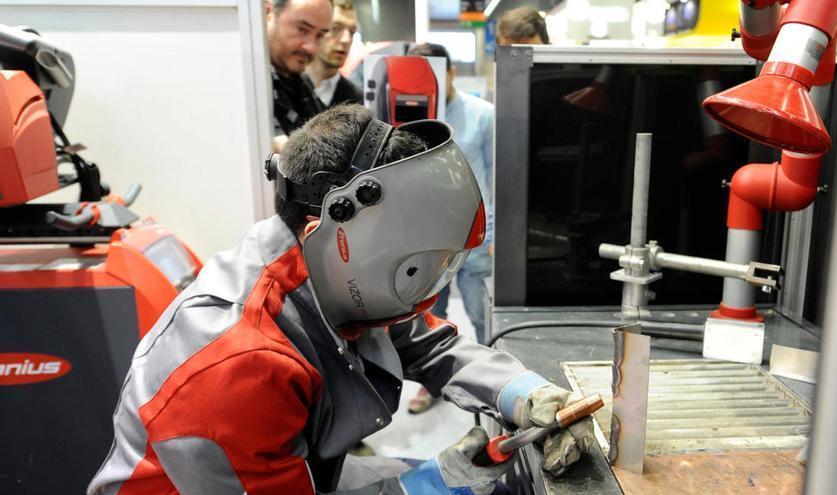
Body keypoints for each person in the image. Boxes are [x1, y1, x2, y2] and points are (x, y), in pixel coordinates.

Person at [87, 105, 595, 494]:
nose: (428, 287)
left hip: (302, 467)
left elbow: (429, 343)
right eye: (417, 266)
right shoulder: (236, 363)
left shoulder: (333, 268)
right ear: (335, 232)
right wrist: (430, 485)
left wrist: (524, 395)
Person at [405, 43, 495, 415]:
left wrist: (496, 234)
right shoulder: (409, 117)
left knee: (481, 312)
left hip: (475, 234)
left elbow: (497, 172)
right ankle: (432, 385)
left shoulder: (482, 115)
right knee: (430, 315)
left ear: (451, 72)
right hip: (428, 237)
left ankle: (493, 382)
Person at [265, 0, 332, 152]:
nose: (311, 47)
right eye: (302, 30)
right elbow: (283, 153)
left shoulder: (299, 81)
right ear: (268, 13)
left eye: (320, 36)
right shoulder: (249, 84)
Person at [305, 0, 363, 107]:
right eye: (335, 28)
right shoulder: (285, 88)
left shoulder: (358, 101)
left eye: (352, 31)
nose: (346, 39)